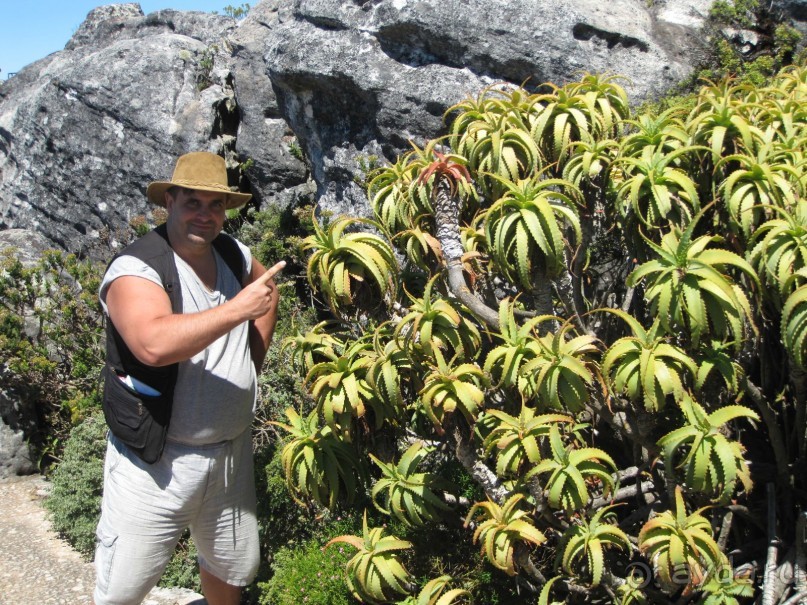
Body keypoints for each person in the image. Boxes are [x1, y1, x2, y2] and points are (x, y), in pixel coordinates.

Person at [93, 151, 285, 605]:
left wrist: (248, 366)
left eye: (215, 205)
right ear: (170, 201)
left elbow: (268, 290)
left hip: (228, 455)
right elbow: (152, 344)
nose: (205, 215)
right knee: (121, 590)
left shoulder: (231, 252)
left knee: (228, 569)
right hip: (156, 463)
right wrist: (238, 310)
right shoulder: (137, 268)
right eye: (193, 202)